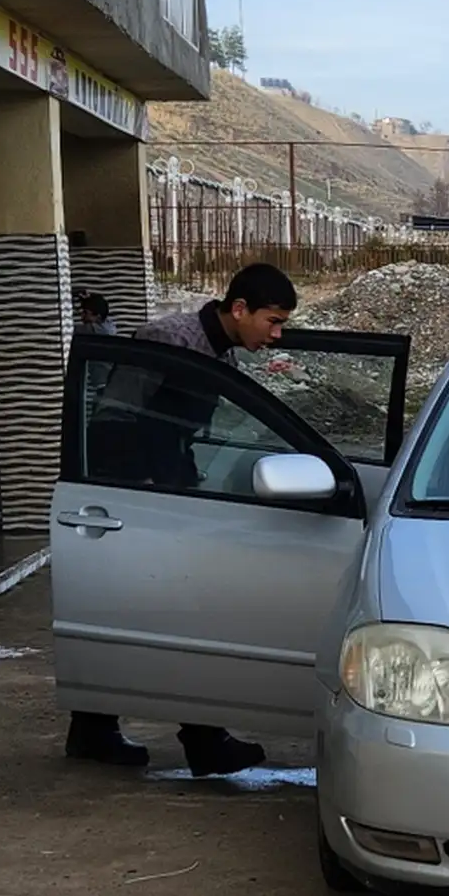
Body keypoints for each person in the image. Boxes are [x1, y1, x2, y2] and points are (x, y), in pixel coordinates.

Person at [64, 262, 299, 777]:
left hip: (167, 497)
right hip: (138, 503)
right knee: (170, 615)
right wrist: (150, 495)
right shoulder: (169, 339)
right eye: (273, 321)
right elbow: (116, 420)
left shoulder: (216, 352)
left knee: (148, 615)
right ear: (240, 309)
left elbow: (176, 432)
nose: (276, 336)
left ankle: (109, 730)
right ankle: (194, 738)